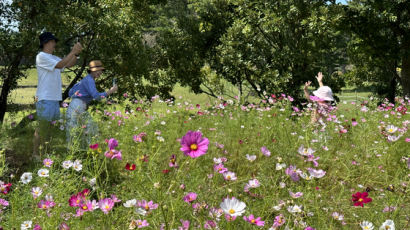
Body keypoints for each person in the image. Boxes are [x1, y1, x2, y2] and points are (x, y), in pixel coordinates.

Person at [33, 32, 83, 157]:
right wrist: (72, 51)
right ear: (46, 43)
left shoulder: (53, 57)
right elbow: (60, 64)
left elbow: (68, 64)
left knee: (49, 128)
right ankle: (35, 155)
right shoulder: (41, 56)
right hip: (45, 97)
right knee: (42, 127)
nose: (55, 44)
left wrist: (76, 54)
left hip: (54, 98)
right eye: (53, 41)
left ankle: (45, 152)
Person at [66, 60, 118, 148]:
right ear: (92, 71)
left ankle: (82, 152)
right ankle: (90, 150)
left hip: (76, 105)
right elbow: (96, 96)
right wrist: (110, 91)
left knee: (77, 131)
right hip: (78, 106)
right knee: (89, 129)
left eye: (101, 70)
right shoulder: (89, 80)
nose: (100, 72)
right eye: (97, 70)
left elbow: (70, 92)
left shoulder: (86, 79)